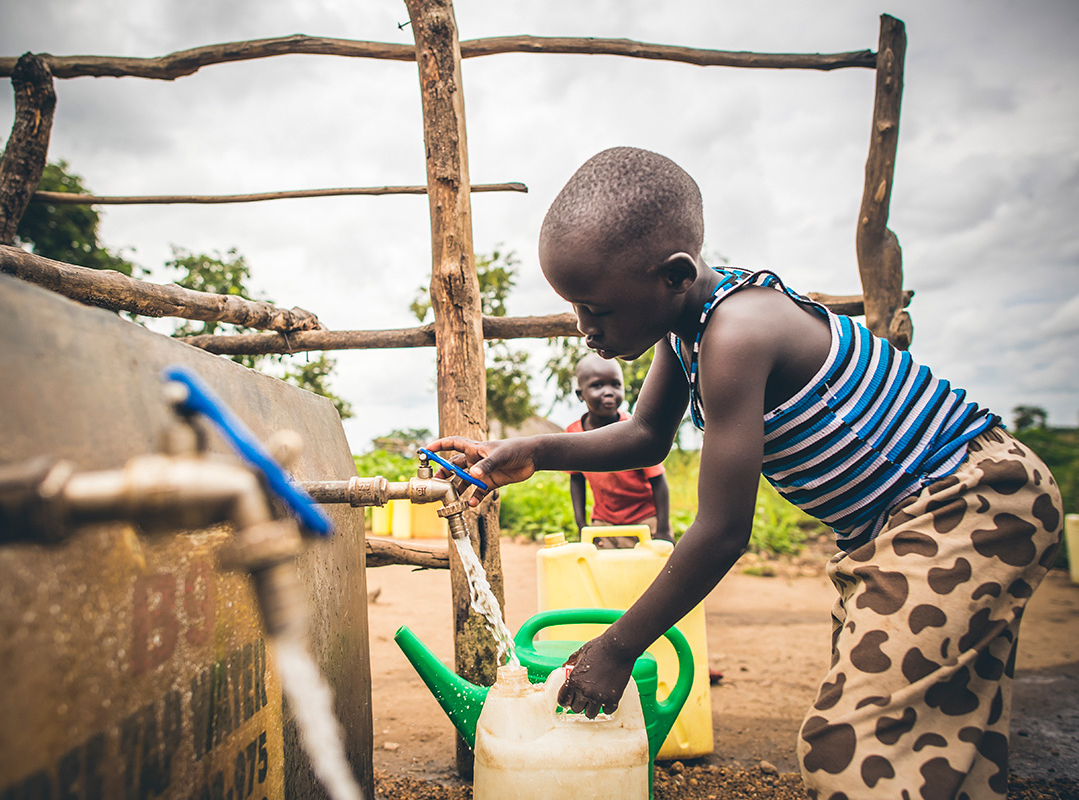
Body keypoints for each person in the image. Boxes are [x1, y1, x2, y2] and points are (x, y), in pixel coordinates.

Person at [429, 146, 1063, 799]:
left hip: (965, 505)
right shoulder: (690, 326)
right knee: (940, 743)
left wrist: (619, 647)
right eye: (575, 307)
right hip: (910, 522)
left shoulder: (736, 334)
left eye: (599, 309)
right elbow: (648, 437)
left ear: (674, 275)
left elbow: (724, 530)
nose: (584, 328)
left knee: (859, 748)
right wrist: (530, 452)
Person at [568, 353, 673, 547]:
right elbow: (576, 479)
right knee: (605, 573)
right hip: (603, 523)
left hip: (646, 521)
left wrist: (664, 529)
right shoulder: (574, 433)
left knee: (648, 574)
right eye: (597, 385)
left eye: (616, 384)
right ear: (580, 394)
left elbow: (659, 481)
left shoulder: (637, 432)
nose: (609, 392)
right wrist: (582, 525)